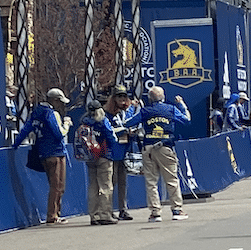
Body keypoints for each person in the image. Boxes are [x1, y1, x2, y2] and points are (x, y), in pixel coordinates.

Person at [14, 87, 72, 225]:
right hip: (55, 152)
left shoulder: (36, 113)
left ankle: (55, 213)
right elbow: (59, 133)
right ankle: (53, 215)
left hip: (43, 153)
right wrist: (67, 124)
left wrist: (15, 145)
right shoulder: (51, 114)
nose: (61, 104)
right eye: (60, 101)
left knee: (54, 184)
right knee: (58, 186)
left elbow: (26, 129)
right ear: (54, 100)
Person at [137, 81, 191, 221]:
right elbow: (186, 120)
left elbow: (128, 123)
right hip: (165, 147)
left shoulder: (145, 111)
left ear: (149, 99)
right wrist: (182, 105)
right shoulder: (171, 109)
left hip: (148, 147)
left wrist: (134, 108)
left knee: (151, 181)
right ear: (163, 97)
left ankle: (155, 212)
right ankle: (177, 210)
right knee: (171, 179)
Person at [72, 95, 120, 225]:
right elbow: (112, 137)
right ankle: (105, 214)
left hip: (90, 158)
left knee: (93, 186)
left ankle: (94, 216)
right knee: (106, 186)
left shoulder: (84, 122)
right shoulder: (103, 122)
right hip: (104, 156)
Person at [107, 87, 138, 219]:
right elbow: (110, 130)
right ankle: (108, 209)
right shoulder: (107, 113)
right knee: (111, 182)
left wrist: (132, 133)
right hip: (112, 151)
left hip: (124, 151)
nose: (122, 100)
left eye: (124, 97)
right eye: (119, 97)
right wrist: (124, 130)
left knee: (123, 182)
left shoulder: (125, 113)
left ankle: (123, 209)